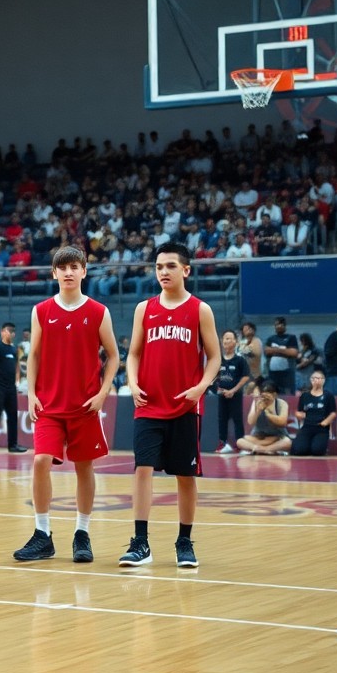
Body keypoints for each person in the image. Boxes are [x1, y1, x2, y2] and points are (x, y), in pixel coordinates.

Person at [13, 246, 120, 565]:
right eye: (63, 267)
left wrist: (103, 393)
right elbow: (33, 355)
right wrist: (31, 393)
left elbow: (113, 356)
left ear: (84, 271)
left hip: (85, 405)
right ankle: (42, 534)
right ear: (54, 273)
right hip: (49, 405)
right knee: (40, 461)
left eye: (75, 266)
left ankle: (82, 532)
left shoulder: (99, 312)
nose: (69, 272)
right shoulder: (42, 310)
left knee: (85, 467)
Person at [122, 242, 221, 569]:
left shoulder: (200, 310)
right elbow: (133, 353)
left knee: (185, 475)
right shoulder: (144, 309)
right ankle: (140, 542)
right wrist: (133, 383)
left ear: (186, 270)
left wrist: (201, 387)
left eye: (170, 266)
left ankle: (184, 540)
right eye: (159, 266)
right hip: (148, 404)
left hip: (184, 407)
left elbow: (215, 356)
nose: (163, 271)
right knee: (142, 470)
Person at [0, 321, 24, 454]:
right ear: (2, 332)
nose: (11, 334)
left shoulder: (14, 349)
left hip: (11, 388)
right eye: (8, 331)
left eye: (13, 332)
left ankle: (13, 445)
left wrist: (17, 379)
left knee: (13, 416)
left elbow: (17, 365)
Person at [213, 330, 249, 454]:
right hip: (222, 395)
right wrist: (218, 387)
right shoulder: (218, 359)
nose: (226, 341)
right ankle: (222, 444)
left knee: (237, 419)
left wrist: (233, 390)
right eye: (224, 338)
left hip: (235, 395)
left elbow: (245, 377)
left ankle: (240, 445)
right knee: (222, 419)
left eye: (229, 338)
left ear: (235, 341)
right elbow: (214, 375)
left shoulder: (240, 360)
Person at [235, 381, 291, 456]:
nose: (265, 398)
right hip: (260, 437)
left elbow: (282, 422)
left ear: (275, 395)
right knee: (240, 441)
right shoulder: (257, 403)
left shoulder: (281, 403)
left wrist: (267, 412)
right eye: (263, 394)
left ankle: (261, 449)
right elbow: (251, 422)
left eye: (268, 394)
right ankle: (266, 449)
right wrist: (258, 411)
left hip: (277, 436)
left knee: (287, 442)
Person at [291, 370, 337, 456]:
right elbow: (299, 411)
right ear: (311, 380)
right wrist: (299, 415)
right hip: (307, 426)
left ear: (323, 380)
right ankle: (306, 445)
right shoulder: (304, 396)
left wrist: (326, 422)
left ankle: (319, 446)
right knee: (299, 450)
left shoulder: (328, 395)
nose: (317, 380)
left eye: (320, 378)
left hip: (321, 428)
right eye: (315, 378)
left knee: (317, 451)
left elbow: (333, 412)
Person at [264, 317, 299, 394]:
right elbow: (267, 351)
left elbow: (293, 353)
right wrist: (284, 351)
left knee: (288, 395)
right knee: (272, 394)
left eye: (280, 324)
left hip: (287, 374)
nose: (278, 326)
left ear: (285, 326)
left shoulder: (291, 338)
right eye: (276, 324)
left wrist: (276, 350)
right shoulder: (271, 339)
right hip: (273, 374)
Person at [236, 321, 263, 391]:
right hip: (243, 374)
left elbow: (257, 352)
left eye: (250, 328)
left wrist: (244, 349)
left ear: (254, 330)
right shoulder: (242, 342)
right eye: (246, 329)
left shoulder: (257, 341)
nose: (249, 330)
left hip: (254, 375)